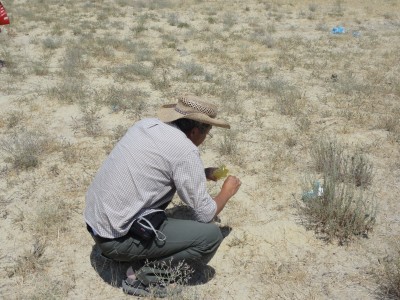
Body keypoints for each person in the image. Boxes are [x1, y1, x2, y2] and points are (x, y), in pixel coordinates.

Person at [84, 94, 241, 297]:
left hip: (97, 224)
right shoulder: (185, 151)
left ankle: (135, 253)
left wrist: (200, 174)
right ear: (195, 131)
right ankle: (141, 279)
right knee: (210, 237)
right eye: (207, 132)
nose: (205, 138)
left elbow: (157, 170)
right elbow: (205, 214)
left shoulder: (146, 126)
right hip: (114, 241)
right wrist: (226, 193)